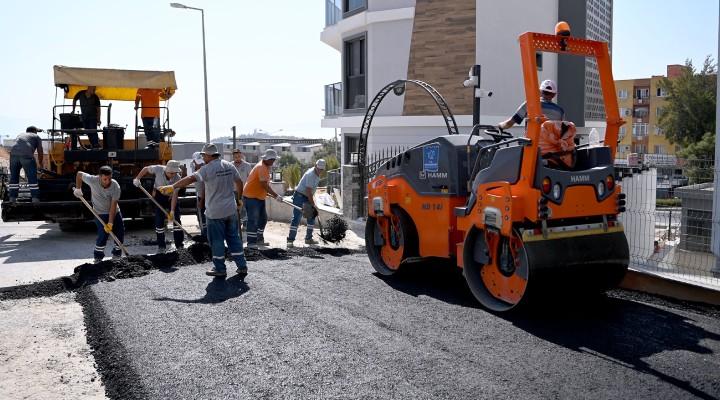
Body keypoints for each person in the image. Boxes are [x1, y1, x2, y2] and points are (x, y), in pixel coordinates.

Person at [158, 143, 247, 278]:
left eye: (204, 155)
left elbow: (191, 178)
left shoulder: (207, 168)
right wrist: (239, 200)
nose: (203, 158)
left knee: (216, 240)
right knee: (234, 238)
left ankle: (220, 268)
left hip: (215, 212)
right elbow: (239, 183)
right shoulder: (229, 165)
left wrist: (173, 186)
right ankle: (242, 266)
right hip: (231, 209)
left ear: (208, 156)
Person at [74, 166, 125, 263]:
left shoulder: (115, 186)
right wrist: (78, 188)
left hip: (114, 212)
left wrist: (110, 223)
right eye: (105, 179)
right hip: (100, 213)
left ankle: (117, 255)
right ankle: (98, 257)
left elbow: (113, 206)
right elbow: (79, 174)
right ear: (99, 176)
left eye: (109, 178)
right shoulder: (93, 180)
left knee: (119, 233)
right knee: (103, 234)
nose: (107, 181)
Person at [134, 160, 184, 254]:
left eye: (175, 173)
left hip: (171, 197)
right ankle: (161, 246)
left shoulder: (178, 178)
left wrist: (172, 211)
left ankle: (179, 245)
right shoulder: (158, 169)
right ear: (167, 170)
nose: (173, 175)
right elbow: (145, 169)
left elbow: (175, 195)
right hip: (159, 196)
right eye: (171, 173)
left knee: (176, 218)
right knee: (159, 220)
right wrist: (137, 178)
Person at [243, 149, 283, 249]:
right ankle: (251, 243)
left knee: (263, 219)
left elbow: (263, 185)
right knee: (253, 219)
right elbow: (264, 185)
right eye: (273, 160)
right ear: (269, 159)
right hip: (251, 197)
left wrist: (268, 193)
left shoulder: (266, 166)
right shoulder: (262, 167)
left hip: (259, 197)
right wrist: (276, 195)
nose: (274, 162)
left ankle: (259, 239)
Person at [286, 159, 326, 248]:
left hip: (307, 197)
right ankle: (290, 240)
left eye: (321, 169)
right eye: (319, 168)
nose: (320, 170)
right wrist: (313, 204)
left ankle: (308, 238)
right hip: (300, 197)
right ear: (315, 166)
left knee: (311, 218)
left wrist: (313, 202)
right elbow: (308, 192)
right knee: (296, 218)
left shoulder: (317, 174)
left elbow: (310, 192)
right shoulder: (311, 175)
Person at [498, 79, 565, 130]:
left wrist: (500, 125)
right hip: (553, 147)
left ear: (539, 91)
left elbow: (508, 124)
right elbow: (564, 130)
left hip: (531, 145)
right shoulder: (560, 112)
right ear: (554, 94)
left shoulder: (530, 104)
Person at [8, 126, 44, 203]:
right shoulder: (36, 136)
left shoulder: (20, 135)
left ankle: (12, 198)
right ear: (34, 131)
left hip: (13, 155)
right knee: (32, 178)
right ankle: (35, 199)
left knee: (14, 178)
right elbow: (40, 151)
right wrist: (40, 163)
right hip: (26, 156)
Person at [232, 149, 253, 228]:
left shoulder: (247, 165)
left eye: (238, 156)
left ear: (241, 155)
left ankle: (245, 225)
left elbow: (250, 178)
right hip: (233, 191)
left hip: (244, 191)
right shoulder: (230, 165)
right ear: (233, 157)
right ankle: (237, 224)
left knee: (243, 208)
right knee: (235, 208)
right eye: (235, 157)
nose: (237, 158)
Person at [191, 151, 207, 238]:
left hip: (206, 195)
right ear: (193, 162)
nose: (200, 165)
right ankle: (203, 233)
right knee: (199, 216)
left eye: (202, 163)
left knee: (205, 215)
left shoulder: (205, 169)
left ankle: (206, 235)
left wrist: (201, 201)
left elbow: (206, 187)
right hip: (199, 194)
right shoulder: (192, 165)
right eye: (198, 163)